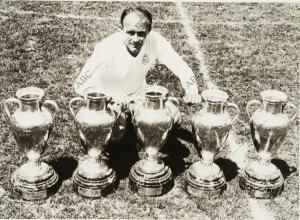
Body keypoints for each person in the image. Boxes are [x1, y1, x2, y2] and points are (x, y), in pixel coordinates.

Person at [74, 7, 202, 141]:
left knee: (174, 117)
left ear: (149, 31)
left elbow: (180, 65)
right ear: (120, 29)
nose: (135, 39)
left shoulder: (156, 41)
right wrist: (110, 97)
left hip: (138, 94)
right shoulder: (106, 48)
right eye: (130, 32)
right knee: (117, 134)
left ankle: (143, 134)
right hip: (111, 99)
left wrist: (191, 90)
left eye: (141, 33)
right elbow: (80, 84)